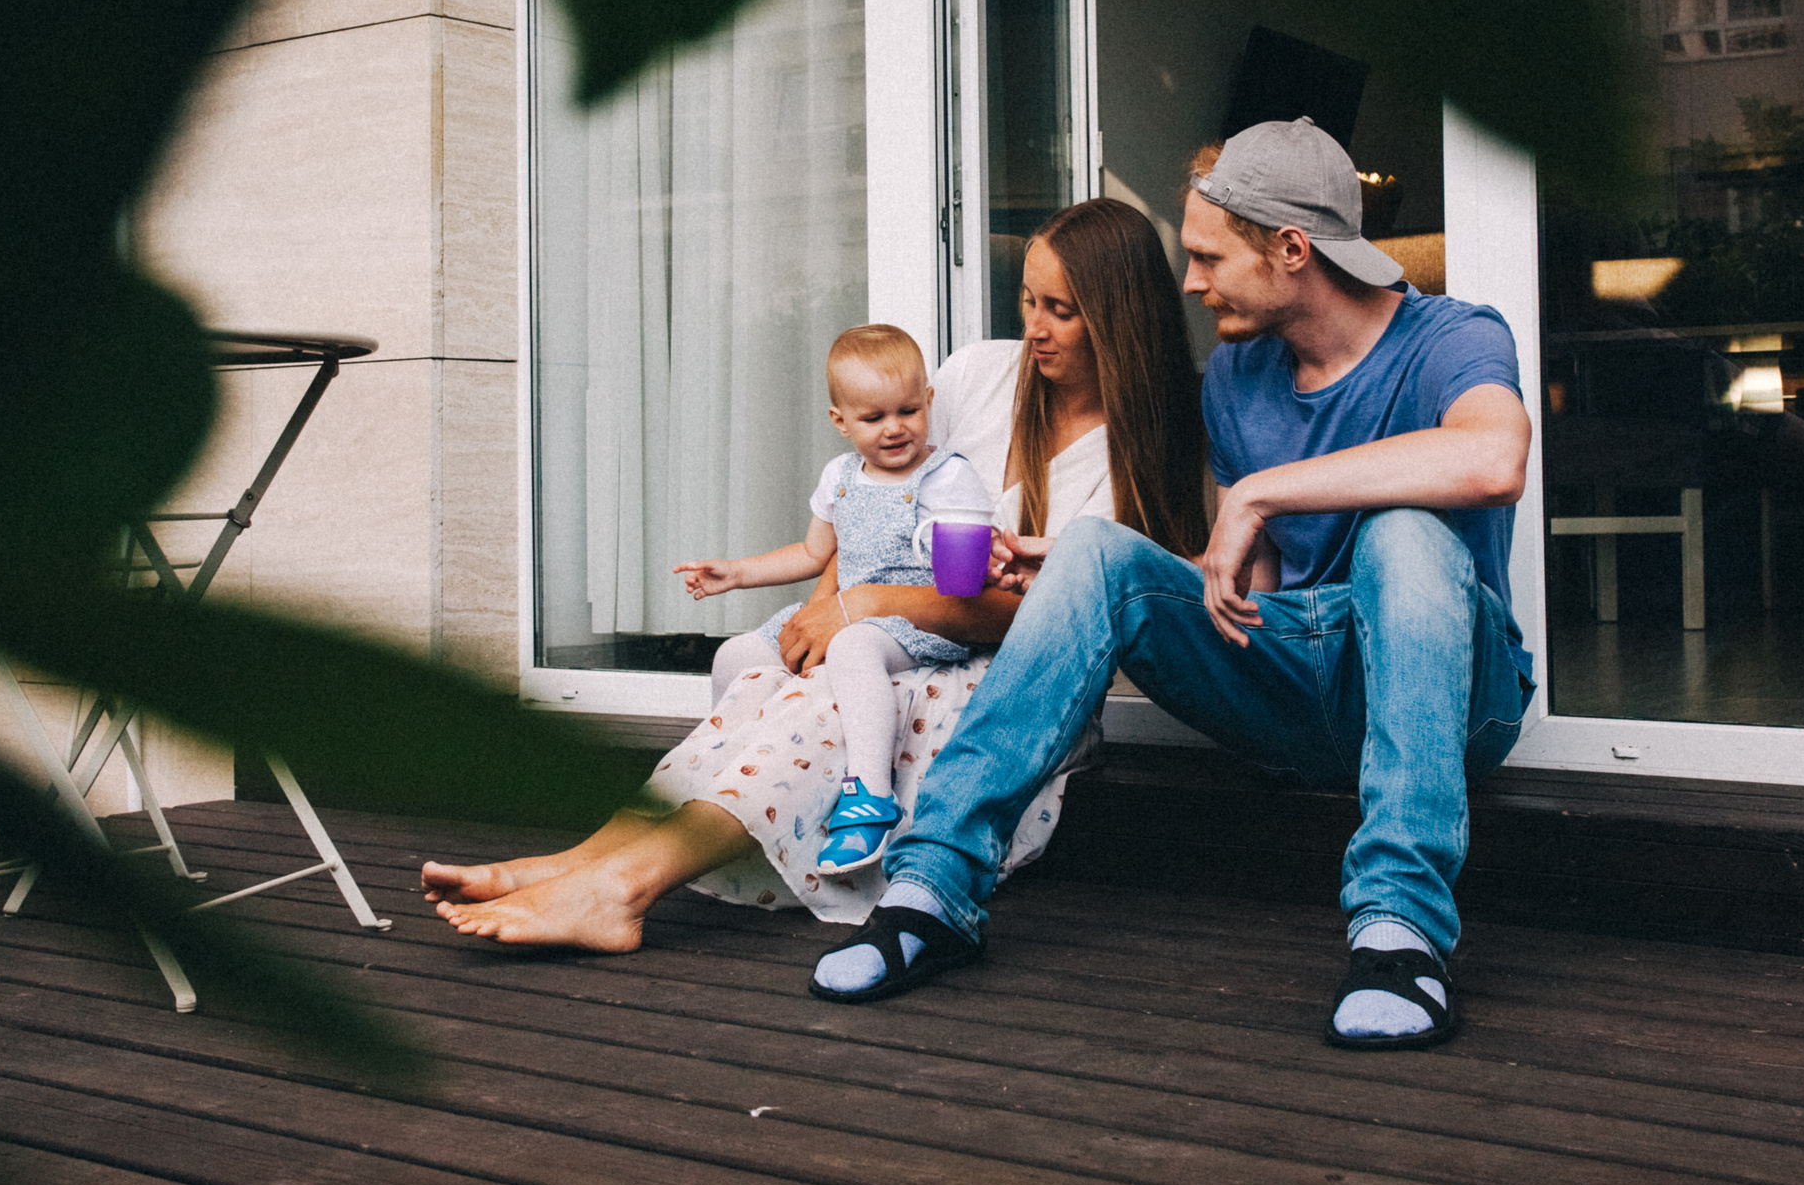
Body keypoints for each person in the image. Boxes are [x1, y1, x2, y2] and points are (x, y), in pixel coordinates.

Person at [809, 118, 1534, 1052]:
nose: (1189, 283)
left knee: (1406, 535)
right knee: (1094, 550)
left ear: (1290, 248)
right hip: (1294, 678)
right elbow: (1250, 590)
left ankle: (1401, 932)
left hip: (1450, 697)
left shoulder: (1451, 337)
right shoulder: (1238, 373)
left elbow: (1494, 453)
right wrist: (1073, 567)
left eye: (1206, 256)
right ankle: (932, 891)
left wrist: (1263, 492)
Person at [421, 197, 1207, 950]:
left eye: (1060, 310)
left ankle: (624, 889)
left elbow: (1039, 618)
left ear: (1117, 317)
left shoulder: (1131, 464)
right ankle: (585, 860)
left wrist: (860, 608)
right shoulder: (980, 376)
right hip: (897, 631)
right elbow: (875, 493)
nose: (1034, 326)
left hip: (1014, 684)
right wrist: (826, 606)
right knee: (768, 680)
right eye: (1029, 300)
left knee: (824, 702)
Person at [671, 324, 995, 873]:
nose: (895, 429)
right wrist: (738, 572)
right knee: (736, 655)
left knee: (852, 647)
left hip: (910, 622)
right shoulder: (841, 478)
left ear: (929, 402)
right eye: (874, 418)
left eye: (908, 411)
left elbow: (964, 568)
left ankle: (870, 795)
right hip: (842, 612)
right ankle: (720, 778)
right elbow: (811, 551)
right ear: (840, 421)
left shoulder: (947, 476)